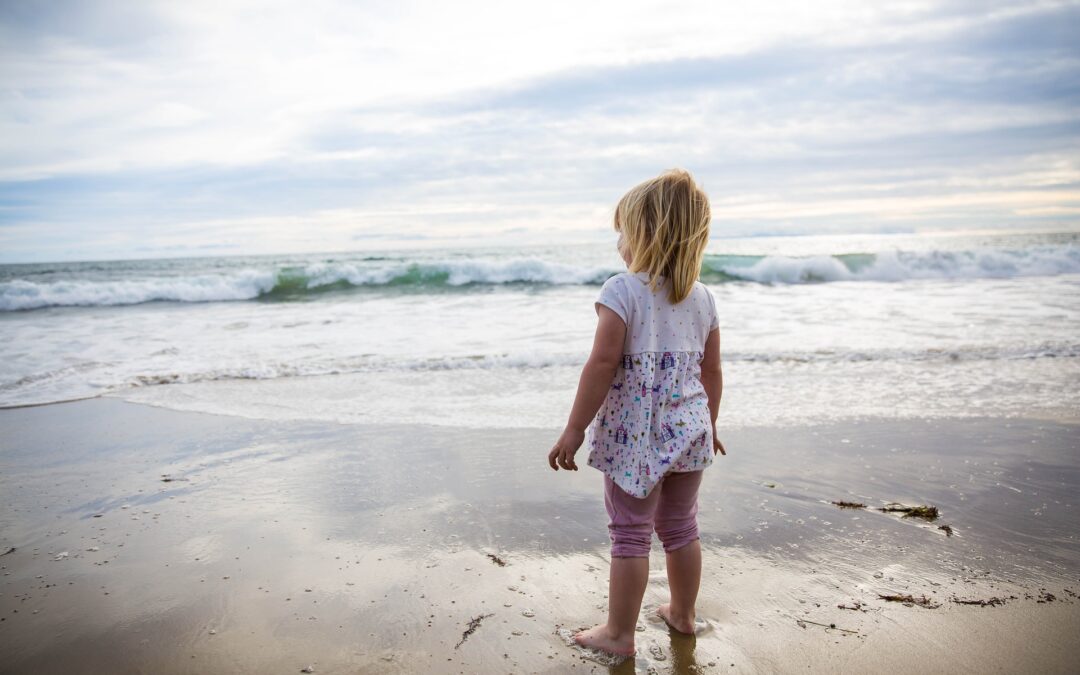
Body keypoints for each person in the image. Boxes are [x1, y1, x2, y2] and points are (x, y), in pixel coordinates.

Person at [547, 167, 726, 658]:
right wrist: (710, 425)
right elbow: (711, 373)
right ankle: (684, 616)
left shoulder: (622, 291)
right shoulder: (703, 297)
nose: (619, 243)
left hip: (637, 438)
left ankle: (620, 635)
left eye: (623, 231)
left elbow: (603, 363)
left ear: (645, 235)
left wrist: (574, 428)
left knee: (630, 532)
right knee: (681, 526)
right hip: (691, 430)